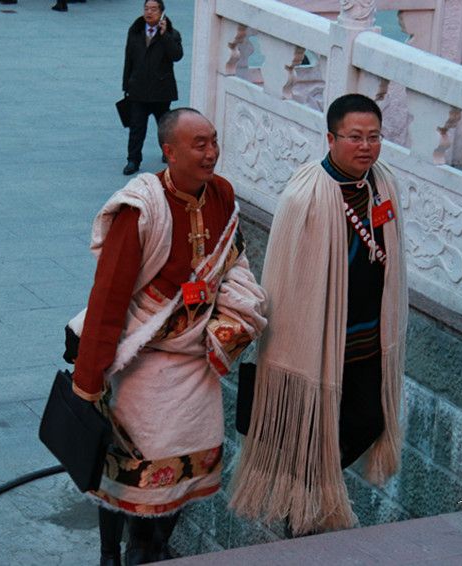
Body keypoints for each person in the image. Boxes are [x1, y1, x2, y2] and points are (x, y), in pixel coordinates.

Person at [65, 108, 267, 565]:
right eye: (200, 145)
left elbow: (234, 262)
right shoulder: (141, 208)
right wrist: (89, 382)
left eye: (214, 141)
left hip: (195, 359)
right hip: (143, 352)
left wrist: (233, 318)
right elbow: (109, 298)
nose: (211, 153)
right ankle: (110, 555)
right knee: (124, 463)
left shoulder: (222, 194)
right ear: (169, 152)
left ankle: (152, 547)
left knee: (190, 460)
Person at [228, 94, 408, 536]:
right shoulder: (307, 194)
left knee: (368, 421)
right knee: (310, 433)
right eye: (354, 137)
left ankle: (312, 484)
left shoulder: (381, 182)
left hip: (369, 338)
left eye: (374, 137)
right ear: (331, 138)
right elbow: (288, 282)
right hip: (318, 342)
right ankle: (303, 516)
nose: (365, 146)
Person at [121, 0, 183, 175]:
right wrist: (126, 84)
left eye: (154, 9)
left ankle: (168, 153)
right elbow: (128, 59)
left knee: (165, 127)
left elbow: (177, 55)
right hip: (138, 89)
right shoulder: (135, 31)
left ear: (162, 13)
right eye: (146, 9)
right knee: (136, 127)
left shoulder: (171, 33)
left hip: (161, 90)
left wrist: (165, 36)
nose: (149, 12)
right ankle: (133, 160)